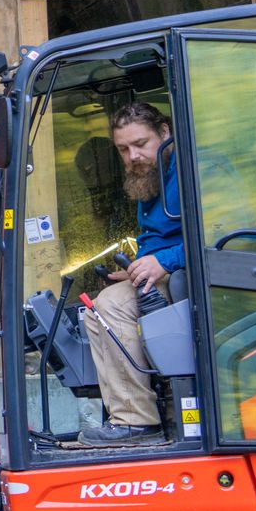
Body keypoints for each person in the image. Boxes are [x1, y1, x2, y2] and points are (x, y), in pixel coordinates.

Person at [79, 101, 184, 446]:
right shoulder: (148, 179)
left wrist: (162, 262)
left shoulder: (192, 171)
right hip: (165, 271)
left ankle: (137, 421)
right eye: (124, 149)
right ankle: (122, 414)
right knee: (94, 312)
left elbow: (214, 234)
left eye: (140, 144)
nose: (133, 155)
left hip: (194, 273)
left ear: (165, 133)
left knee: (113, 306)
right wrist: (138, 267)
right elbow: (155, 238)